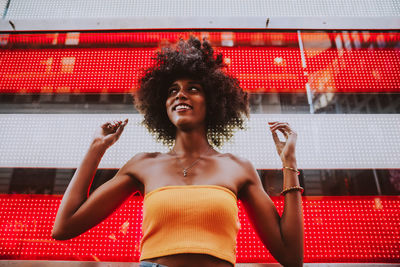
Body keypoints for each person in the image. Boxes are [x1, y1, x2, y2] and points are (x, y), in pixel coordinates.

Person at [52, 37, 304, 267]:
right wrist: (96, 150)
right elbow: (64, 227)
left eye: (193, 88)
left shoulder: (238, 168)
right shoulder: (143, 165)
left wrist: (289, 163)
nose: (180, 94)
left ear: (214, 101)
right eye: (172, 90)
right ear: (162, 106)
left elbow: (291, 257)